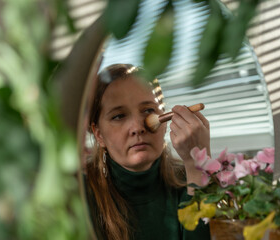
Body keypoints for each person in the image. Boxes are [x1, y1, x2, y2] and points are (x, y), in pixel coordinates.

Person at [85, 64, 211, 240]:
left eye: (148, 111)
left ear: (165, 121)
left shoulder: (188, 178)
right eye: (119, 116)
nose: (137, 128)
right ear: (99, 134)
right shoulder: (81, 194)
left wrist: (198, 166)